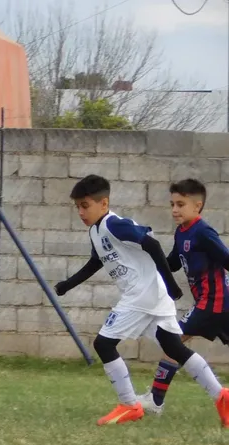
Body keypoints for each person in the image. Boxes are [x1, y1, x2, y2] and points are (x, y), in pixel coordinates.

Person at [54, 175, 229, 426]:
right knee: (174, 348)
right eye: (77, 207)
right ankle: (221, 395)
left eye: (85, 205)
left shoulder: (115, 224)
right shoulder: (96, 231)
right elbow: (96, 261)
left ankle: (129, 405)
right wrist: (68, 284)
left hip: (142, 295)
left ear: (103, 204)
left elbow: (151, 244)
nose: (81, 212)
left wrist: (170, 284)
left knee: (104, 344)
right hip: (152, 295)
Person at [139, 178, 229, 415]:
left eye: (180, 204)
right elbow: (172, 265)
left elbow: (226, 258)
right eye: (172, 204)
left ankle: (156, 400)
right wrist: (147, 259)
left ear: (197, 206)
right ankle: (156, 400)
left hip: (214, 302)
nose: (175, 210)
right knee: (174, 342)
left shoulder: (203, 232)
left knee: (173, 341)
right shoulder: (182, 233)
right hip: (214, 304)